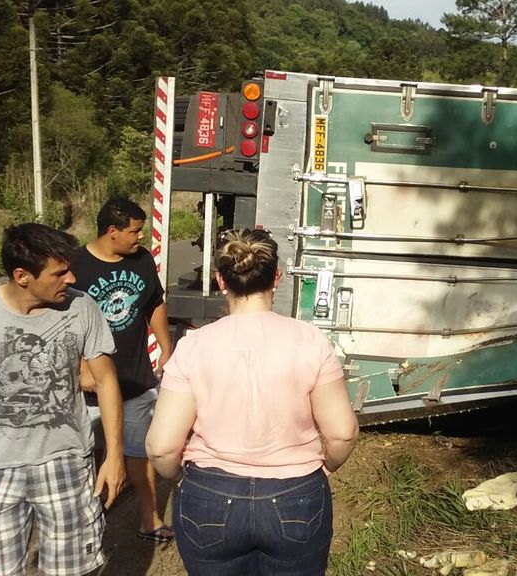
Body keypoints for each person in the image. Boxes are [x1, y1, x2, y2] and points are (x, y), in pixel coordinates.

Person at [146, 229, 360, 575]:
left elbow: (160, 447)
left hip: (210, 493)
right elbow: (343, 433)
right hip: (296, 493)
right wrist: (325, 469)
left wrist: (180, 477)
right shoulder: (310, 340)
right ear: (276, 278)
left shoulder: (193, 346)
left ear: (220, 280)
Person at [0, 223, 126, 575]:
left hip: (67, 461)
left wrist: (114, 455)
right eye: (59, 273)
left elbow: (106, 381)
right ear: (22, 276)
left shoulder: (82, 307)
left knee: (71, 569)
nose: (71, 278)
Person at [70, 196, 175, 543]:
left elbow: (153, 302)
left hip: (133, 378)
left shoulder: (141, 260)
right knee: (86, 456)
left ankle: (149, 518)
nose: (141, 237)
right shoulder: (75, 266)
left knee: (138, 452)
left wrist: (165, 346)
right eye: (135, 231)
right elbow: (62, 323)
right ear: (112, 231)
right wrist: (80, 368)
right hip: (88, 387)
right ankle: (85, 525)